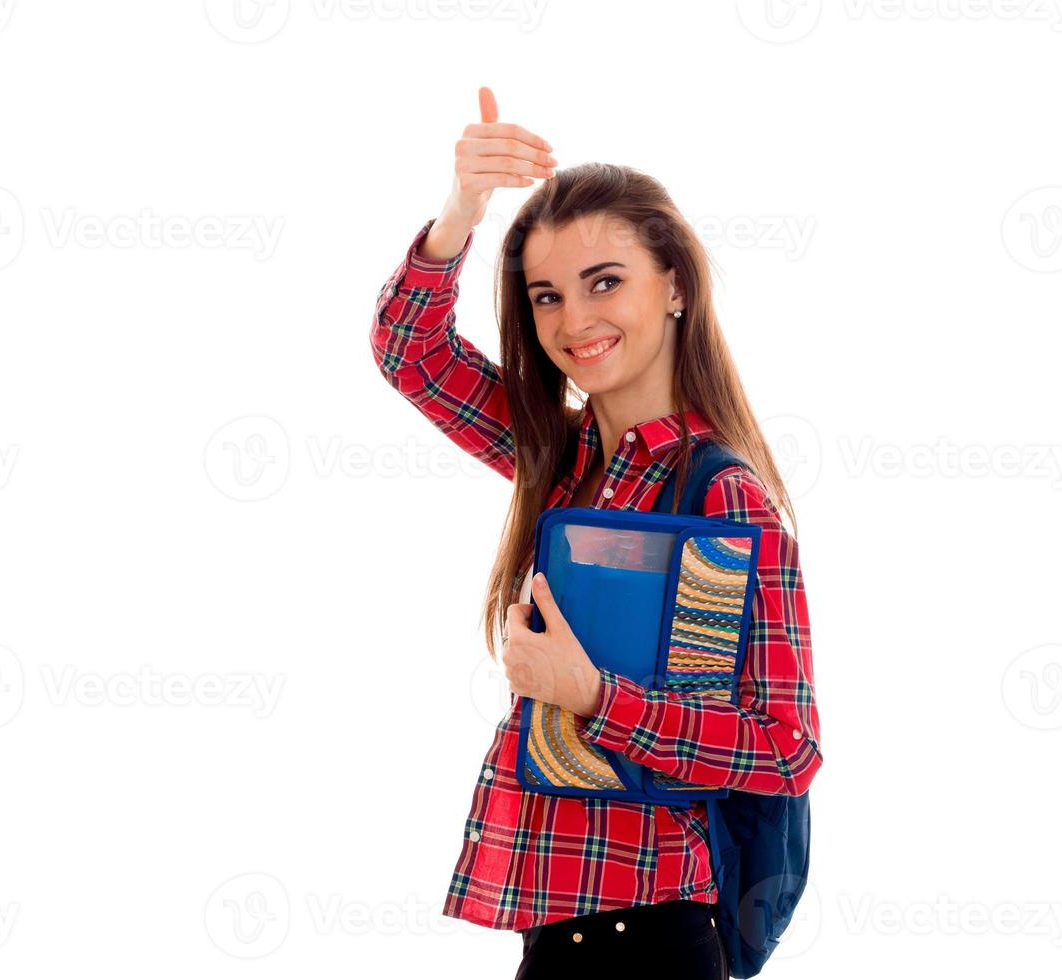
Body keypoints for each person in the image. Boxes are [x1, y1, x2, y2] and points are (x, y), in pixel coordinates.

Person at [369, 86, 822, 980]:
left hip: (650, 932)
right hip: (560, 931)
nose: (574, 322)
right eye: (546, 295)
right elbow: (409, 354)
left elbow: (784, 744)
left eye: (604, 282)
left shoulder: (721, 499)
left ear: (677, 286)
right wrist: (461, 213)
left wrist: (591, 694)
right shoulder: (565, 461)